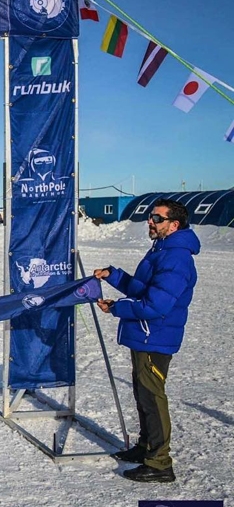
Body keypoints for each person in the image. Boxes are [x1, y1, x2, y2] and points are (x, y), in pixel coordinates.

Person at [93, 199, 199, 483]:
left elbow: (156, 306)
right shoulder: (161, 250)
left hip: (155, 337)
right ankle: (146, 447)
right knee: (142, 395)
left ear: (174, 225)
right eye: (150, 217)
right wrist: (113, 276)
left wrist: (118, 308)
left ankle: (160, 463)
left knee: (152, 398)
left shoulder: (176, 257)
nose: (150, 222)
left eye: (157, 218)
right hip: (144, 335)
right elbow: (141, 289)